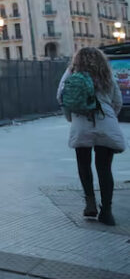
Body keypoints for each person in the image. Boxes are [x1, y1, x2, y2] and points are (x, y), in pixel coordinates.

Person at [57, 47, 125, 226]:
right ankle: (107, 212)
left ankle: (90, 204)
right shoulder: (106, 75)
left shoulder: (72, 73)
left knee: (84, 164)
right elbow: (117, 101)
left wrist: (72, 118)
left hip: (81, 122)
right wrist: (110, 116)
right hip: (105, 121)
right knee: (104, 168)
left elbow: (61, 97)